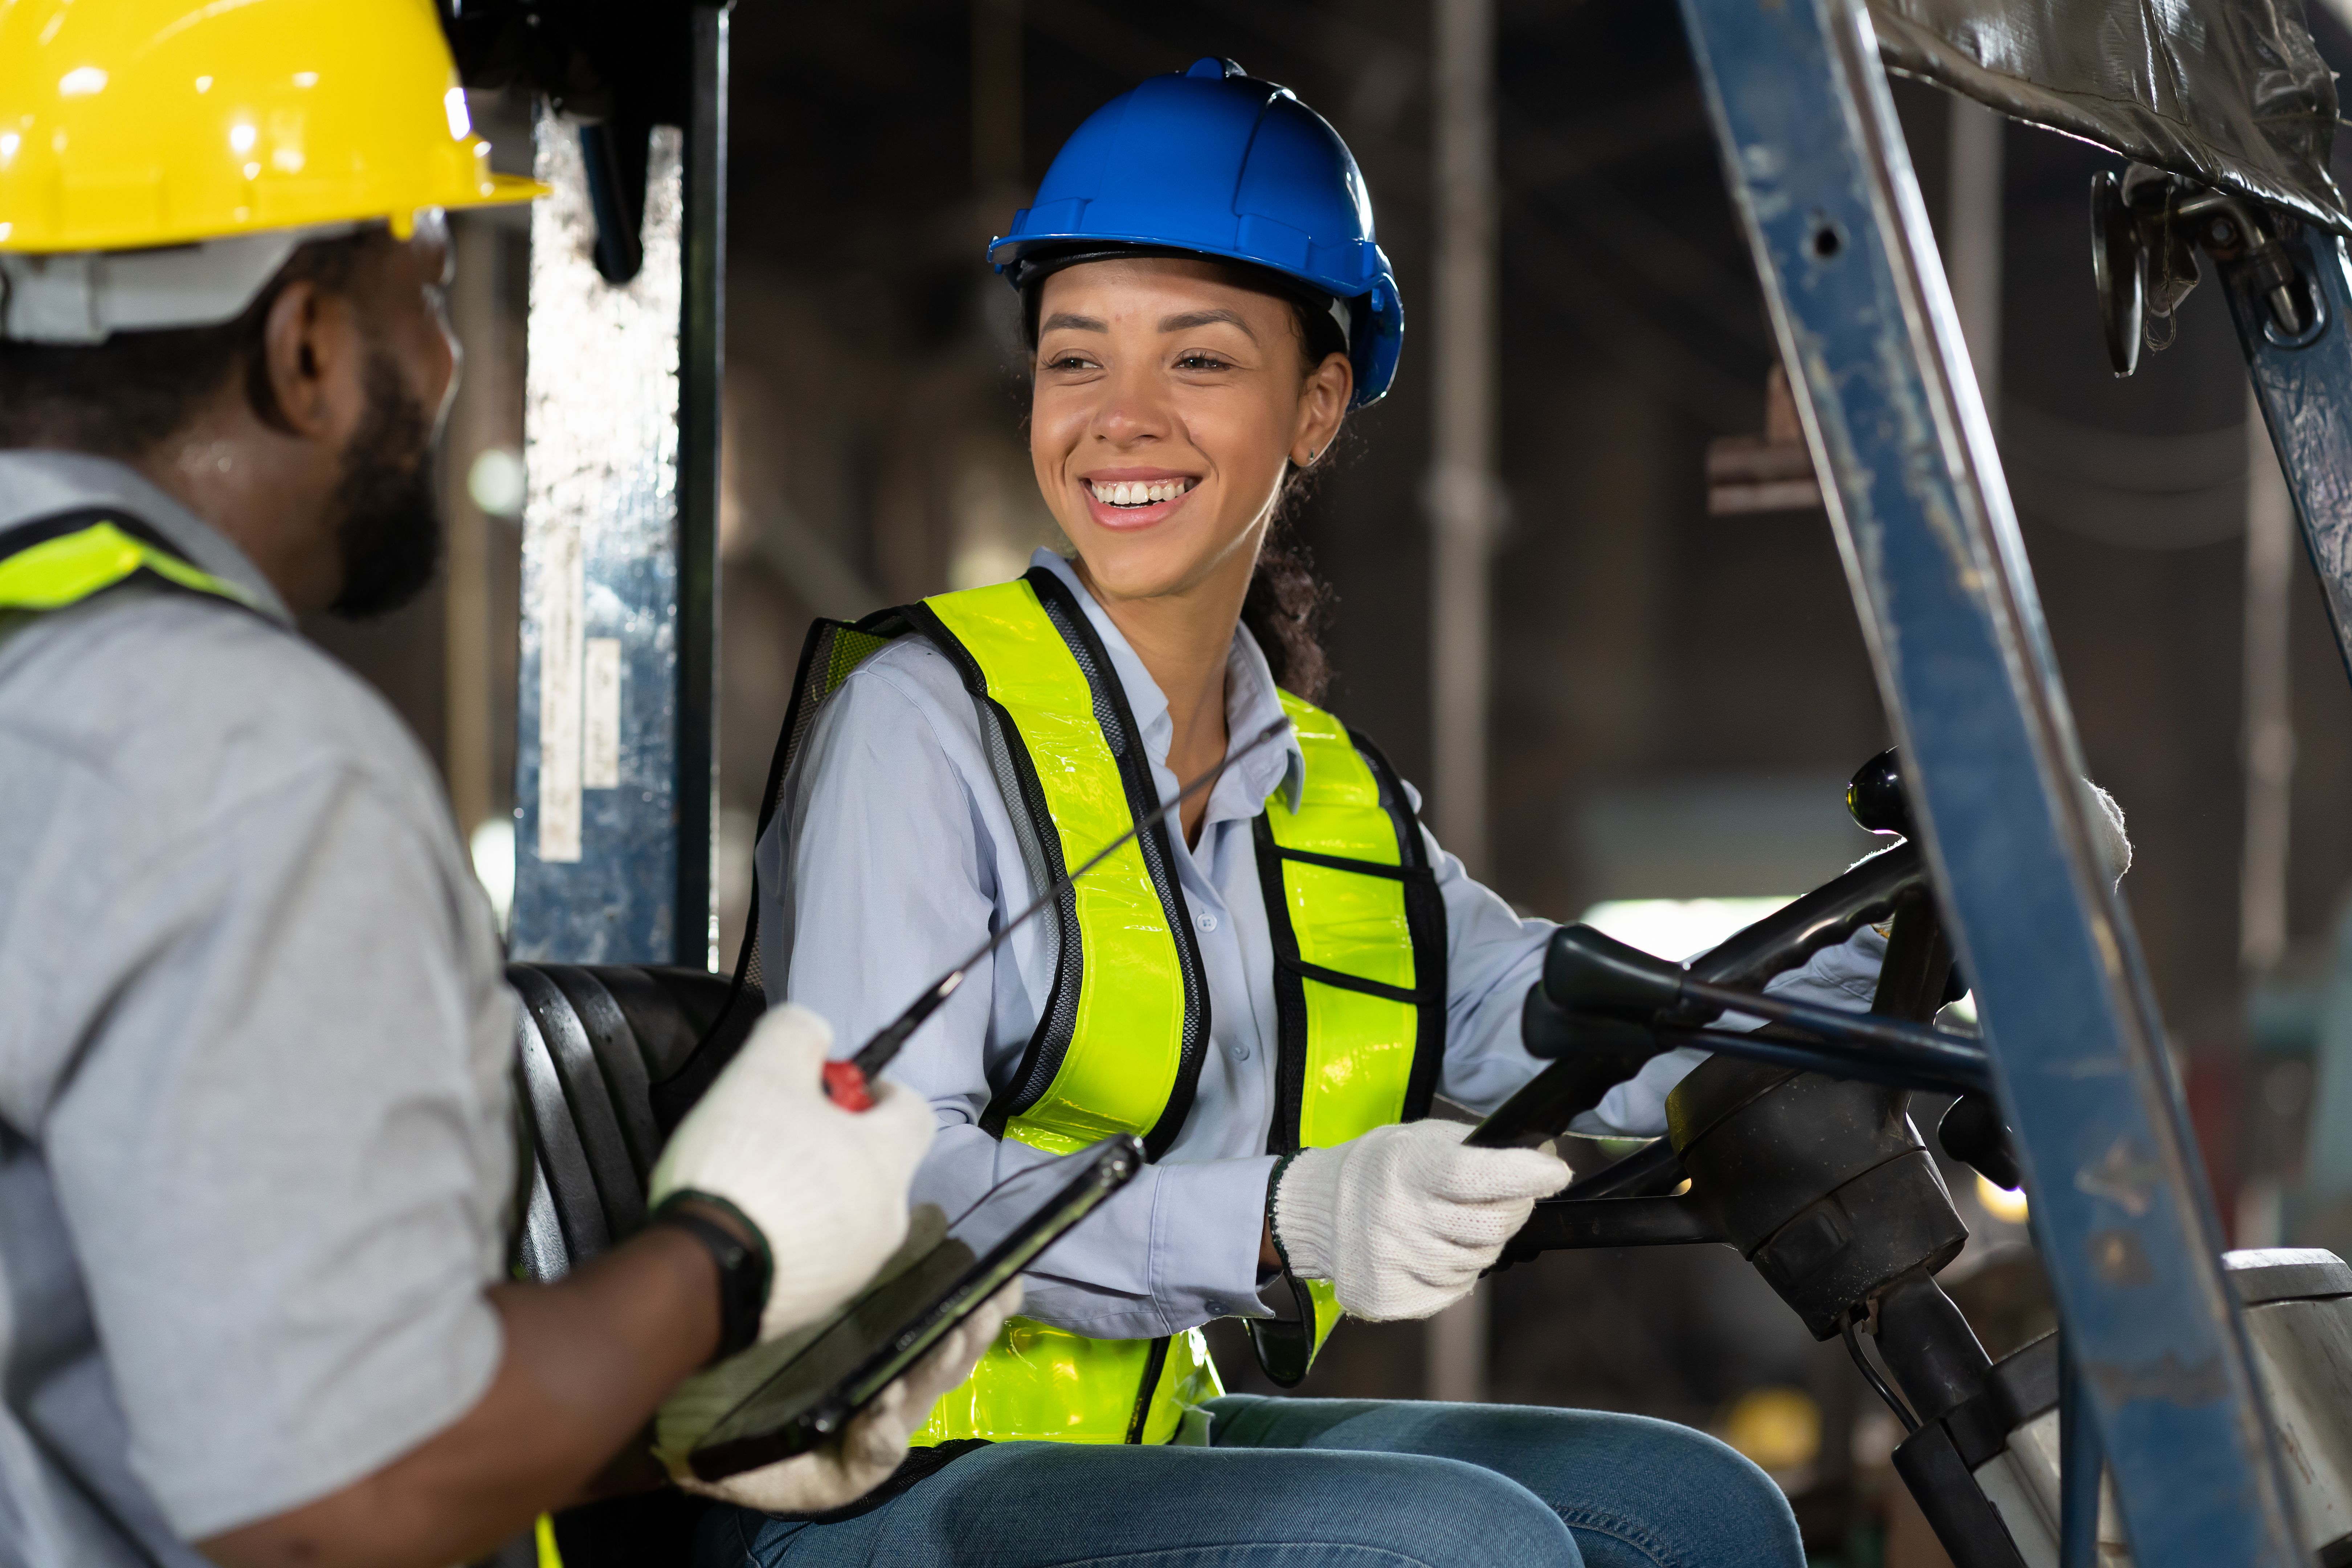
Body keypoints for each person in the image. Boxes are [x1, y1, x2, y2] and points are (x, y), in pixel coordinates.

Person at [722, 60, 1830, 1568]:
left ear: (1316, 404)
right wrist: (1285, 1220)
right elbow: (892, 1182)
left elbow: (1577, 1018)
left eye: (1198, 362)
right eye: (1073, 360)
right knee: (1457, 1548)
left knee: (1699, 1514)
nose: (1119, 421)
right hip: (855, 1469)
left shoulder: (1318, 789)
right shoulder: (925, 725)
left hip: (1119, 1450)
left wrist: (1921, 969)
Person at [0, 7, 1001, 1566]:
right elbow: (341, 1504)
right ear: (309, 348)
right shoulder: (233, 757)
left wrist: (661, 1425)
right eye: (433, 290)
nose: (454, 360)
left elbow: (146, 1379)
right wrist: (731, 1249)